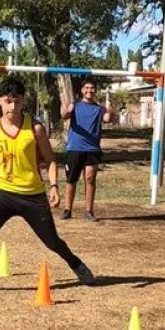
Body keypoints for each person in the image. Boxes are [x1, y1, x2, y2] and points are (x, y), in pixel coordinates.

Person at [0, 76, 96, 295]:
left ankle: (76, 264)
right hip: (4, 194)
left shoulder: (35, 129)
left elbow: (50, 160)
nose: (13, 106)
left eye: (18, 101)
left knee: (51, 241)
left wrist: (54, 187)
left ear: (23, 102)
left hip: (33, 195)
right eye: (8, 101)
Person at [60, 79, 113, 222]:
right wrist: (68, 109)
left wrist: (110, 110)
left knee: (90, 178)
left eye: (92, 88)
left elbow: (107, 119)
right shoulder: (75, 105)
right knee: (71, 179)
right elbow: (64, 116)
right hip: (74, 147)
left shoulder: (99, 109)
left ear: (95, 90)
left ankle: (89, 211)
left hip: (92, 149)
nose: (90, 90)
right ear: (82, 90)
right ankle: (67, 209)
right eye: (87, 88)